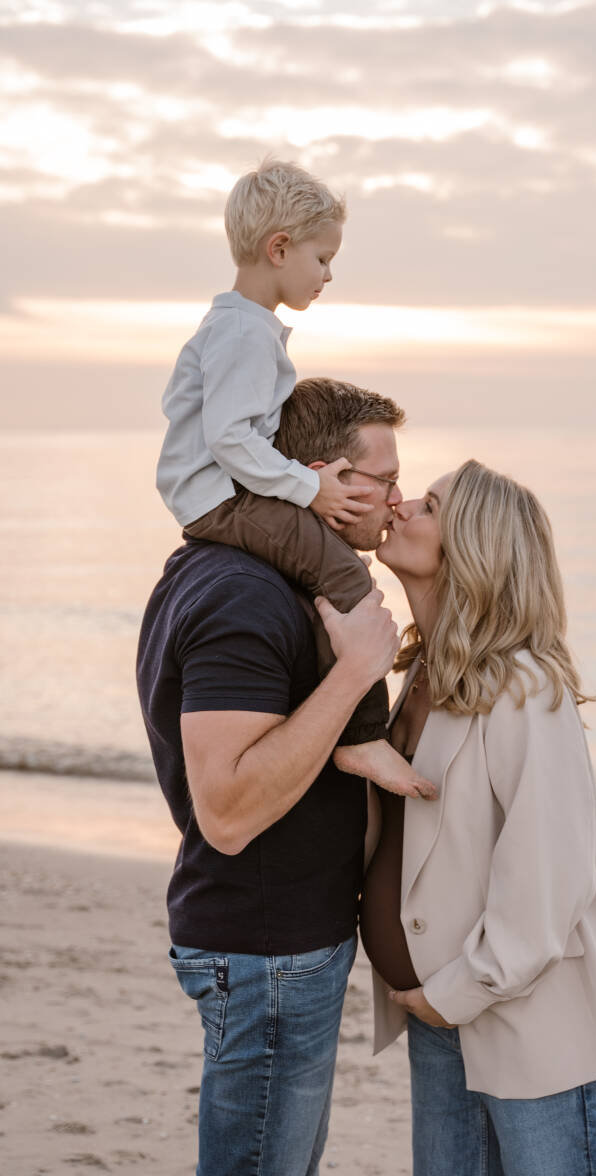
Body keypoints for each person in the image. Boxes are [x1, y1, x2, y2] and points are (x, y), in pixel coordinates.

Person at [137, 378, 427, 1176]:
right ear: (319, 474)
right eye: (382, 478)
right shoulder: (242, 594)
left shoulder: (258, 577)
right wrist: (360, 674)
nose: (396, 499)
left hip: (283, 944)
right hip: (266, 950)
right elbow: (226, 812)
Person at [360, 459, 596, 1176]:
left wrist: (457, 990)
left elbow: (551, 878)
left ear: (471, 545)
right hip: (439, 1015)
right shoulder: (420, 676)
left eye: (426, 504)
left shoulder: (525, 689)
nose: (399, 504)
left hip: (525, 1019)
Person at [155, 156, 430, 801]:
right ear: (279, 248)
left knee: (320, 575)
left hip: (220, 493)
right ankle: (363, 737)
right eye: (323, 258)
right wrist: (311, 488)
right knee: (348, 576)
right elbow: (229, 438)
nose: (329, 274)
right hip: (222, 498)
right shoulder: (244, 334)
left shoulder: (242, 328)